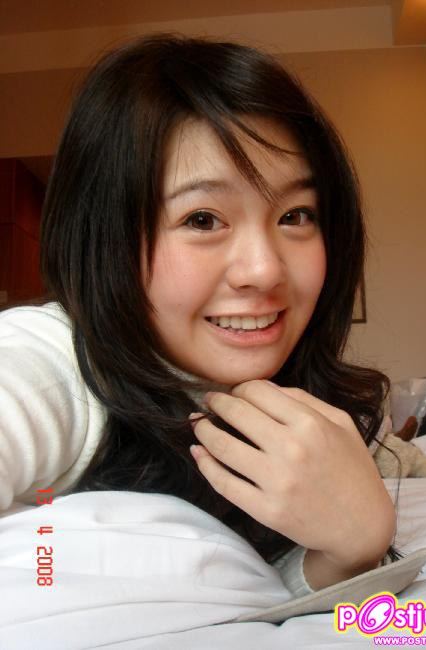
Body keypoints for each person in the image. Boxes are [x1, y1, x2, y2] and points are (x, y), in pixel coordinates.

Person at [0, 33, 398, 598]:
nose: (264, 270)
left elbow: (255, 588)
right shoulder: (55, 368)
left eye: (295, 215)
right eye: (203, 219)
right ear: (106, 241)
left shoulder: (294, 402)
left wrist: (353, 548)